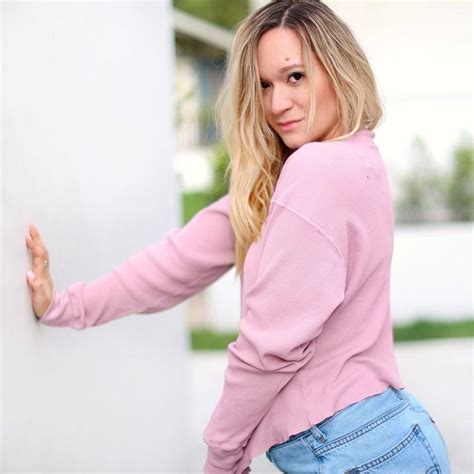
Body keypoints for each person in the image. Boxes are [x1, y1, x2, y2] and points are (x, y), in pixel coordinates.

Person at [25, 0, 451, 472]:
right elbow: (177, 262)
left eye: (295, 77)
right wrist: (63, 305)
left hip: (358, 450)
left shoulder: (318, 171)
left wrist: (222, 456)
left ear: (338, 70)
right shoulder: (336, 165)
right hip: (373, 440)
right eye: (264, 85)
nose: (276, 104)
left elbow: (270, 346)